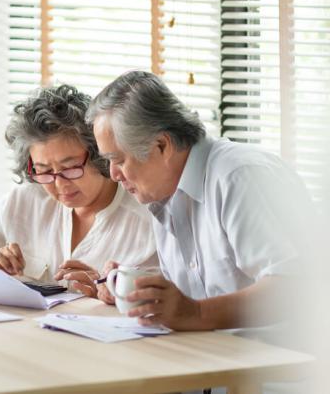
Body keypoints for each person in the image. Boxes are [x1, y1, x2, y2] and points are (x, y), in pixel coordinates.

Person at [84, 70, 315, 330]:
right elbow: (201, 292)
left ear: (162, 145)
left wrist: (195, 313)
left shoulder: (239, 176)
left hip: (282, 362)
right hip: (213, 355)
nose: (113, 175)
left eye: (119, 160)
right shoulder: (163, 191)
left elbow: (293, 288)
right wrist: (137, 290)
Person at [0, 84, 157, 297]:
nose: (59, 184)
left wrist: (112, 291)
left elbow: (166, 300)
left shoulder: (147, 220)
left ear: (99, 155)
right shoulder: (27, 200)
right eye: (44, 170)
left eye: (70, 168)